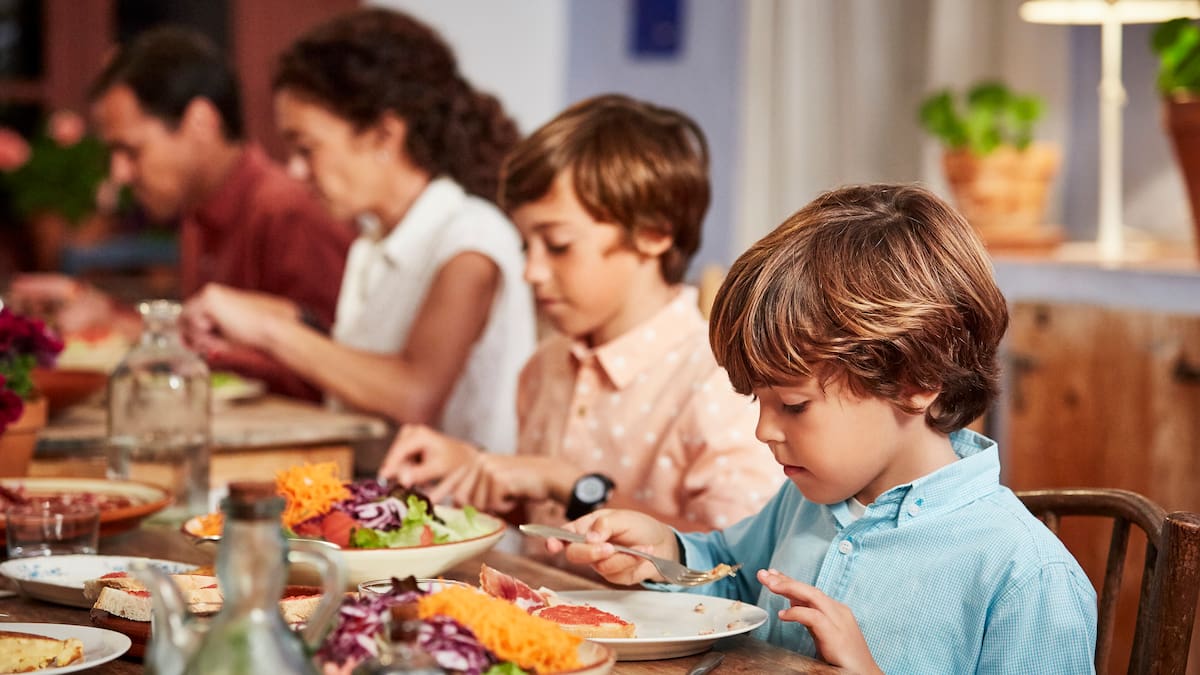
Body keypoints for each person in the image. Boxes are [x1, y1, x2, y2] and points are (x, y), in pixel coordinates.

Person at [544, 184, 1098, 673]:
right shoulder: (804, 500)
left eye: (793, 405)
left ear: (916, 380)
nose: (764, 430)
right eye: (758, 401)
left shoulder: (1027, 578)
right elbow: (735, 581)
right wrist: (665, 552)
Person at [378, 94, 781, 533]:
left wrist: (568, 483)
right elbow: (545, 527)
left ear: (653, 234)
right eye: (524, 246)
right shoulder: (543, 369)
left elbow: (738, 557)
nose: (531, 272)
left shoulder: (721, 378)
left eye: (558, 245)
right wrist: (476, 468)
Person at [181, 8, 535, 464]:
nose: (295, 169)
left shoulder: (471, 238)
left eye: (307, 148)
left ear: (384, 135)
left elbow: (414, 393)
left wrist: (273, 331)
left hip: (460, 525)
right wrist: (273, 318)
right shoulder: (375, 239)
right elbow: (367, 358)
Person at [8, 27, 353, 400]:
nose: (119, 173)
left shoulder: (289, 211)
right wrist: (105, 315)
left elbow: (333, 376)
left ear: (200, 121)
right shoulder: (198, 212)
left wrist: (138, 334)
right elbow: (203, 339)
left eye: (131, 150)